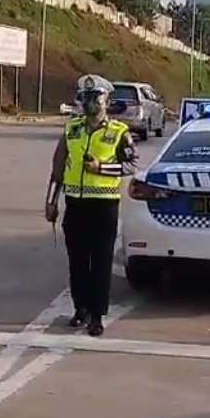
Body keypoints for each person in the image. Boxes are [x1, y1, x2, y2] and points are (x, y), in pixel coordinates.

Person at [45, 74, 138, 337]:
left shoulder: (119, 132)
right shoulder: (71, 129)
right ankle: (80, 309)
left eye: (95, 97)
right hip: (75, 204)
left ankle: (97, 315)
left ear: (107, 101)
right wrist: (52, 200)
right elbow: (58, 167)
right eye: (85, 97)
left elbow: (131, 165)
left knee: (100, 262)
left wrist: (102, 167)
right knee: (77, 261)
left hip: (104, 206)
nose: (90, 102)